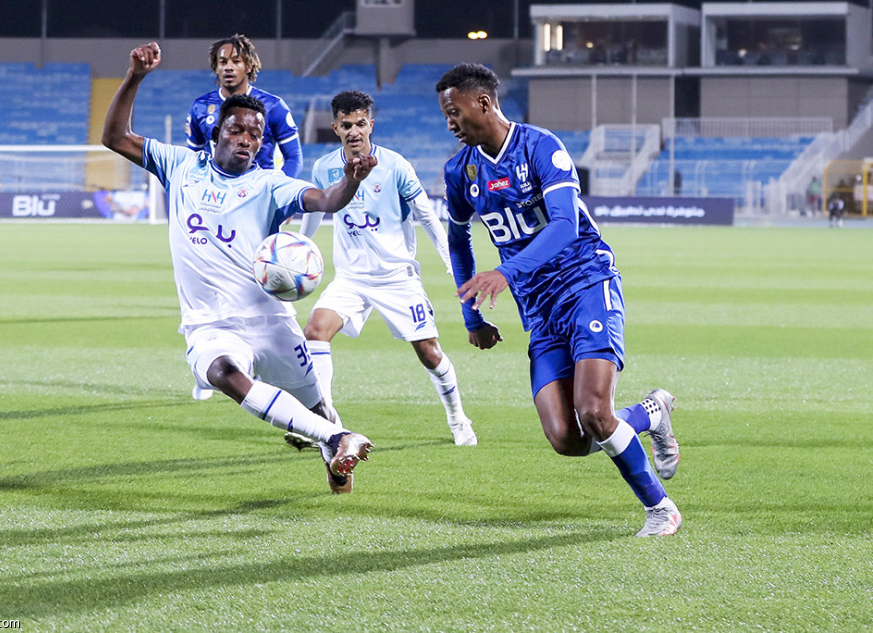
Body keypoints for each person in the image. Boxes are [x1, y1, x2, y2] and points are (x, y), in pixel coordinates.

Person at [102, 42, 376, 493]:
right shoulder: (180, 166)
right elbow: (114, 138)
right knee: (223, 373)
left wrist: (351, 178)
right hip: (211, 324)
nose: (247, 139)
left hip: (271, 321)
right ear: (216, 134)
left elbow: (325, 201)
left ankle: (337, 460)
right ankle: (339, 439)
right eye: (237, 130)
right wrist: (134, 76)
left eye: (255, 134)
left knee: (319, 409)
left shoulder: (270, 184)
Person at [436, 63, 681, 537]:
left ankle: (660, 509)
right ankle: (650, 414)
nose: (450, 121)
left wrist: (505, 271)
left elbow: (566, 225)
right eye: (445, 113)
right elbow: (459, 240)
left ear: (483, 103)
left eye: (455, 111)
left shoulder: (540, 147)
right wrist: (472, 315)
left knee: (593, 410)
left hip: (586, 283)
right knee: (566, 439)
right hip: (539, 307)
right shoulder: (459, 171)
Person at [292, 90, 477, 449]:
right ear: (335, 128)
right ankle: (325, 424)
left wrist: (451, 266)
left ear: (370, 125)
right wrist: (302, 250)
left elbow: (427, 218)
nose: (354, 131)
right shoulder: (325, 167)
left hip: (397, 278)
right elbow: (315, 214)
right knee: (315, 331)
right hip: (351, 279)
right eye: (346, 125)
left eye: (360, 123)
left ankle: (458, 418)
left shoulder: (395, 166)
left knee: (429, 352)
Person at [185, 33, 303, 177]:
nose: (228, 67)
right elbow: (193, 156)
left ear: (248, 66)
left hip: (258, 192)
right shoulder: (200, 107)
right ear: (216, 67)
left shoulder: (273, 106)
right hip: (217, 193)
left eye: (236, 61)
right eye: (223, 62)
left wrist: (276, 190)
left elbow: (294, 158)